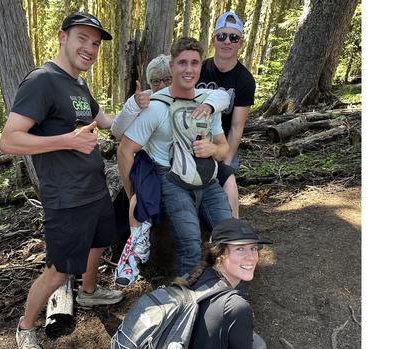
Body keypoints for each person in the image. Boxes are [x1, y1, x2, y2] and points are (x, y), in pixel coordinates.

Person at [0, 12, 123, 349]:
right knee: (58, 271)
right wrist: (67, 140)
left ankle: (89, 292)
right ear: (62, 36)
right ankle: (25, 328)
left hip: (94, 190)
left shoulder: (79, 84)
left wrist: (138, 107)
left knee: (100, 243)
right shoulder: (42, 80)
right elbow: (8, 141)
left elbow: (106, 120)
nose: (90, 48)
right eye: (82, 38)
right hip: (67, 198)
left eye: (95, 43)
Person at [117, 37, 233, 278]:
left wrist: (212, 150)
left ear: (201, 66)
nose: (188, 69)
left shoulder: (208, 104)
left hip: (207, 179)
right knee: (191, 245)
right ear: (172, 66)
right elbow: (125, 150)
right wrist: (132, 193)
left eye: (194, 63)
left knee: (231, 237)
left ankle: (228, 299)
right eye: (182, 63)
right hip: (171, 180)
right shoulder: (155, 107)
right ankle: (185, 303)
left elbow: (225, 150)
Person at [174, 217, 270, 349]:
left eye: (253, 248)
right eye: (240, 249)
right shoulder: (236, 307)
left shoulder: (195, 277)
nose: (252, 257)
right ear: (219, 254)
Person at [197, 11, 257, 219]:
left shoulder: (245, 80)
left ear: (240, 43)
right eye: (221, 36)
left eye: (234, 37)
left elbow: (236, 127)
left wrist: (226, 162)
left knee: (226, 182)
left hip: (223, 143)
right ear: (214, 39)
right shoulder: (199, 69)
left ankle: (232, 232)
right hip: (194, 140)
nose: (227, 42)